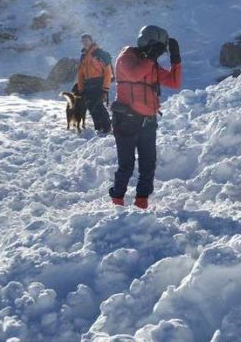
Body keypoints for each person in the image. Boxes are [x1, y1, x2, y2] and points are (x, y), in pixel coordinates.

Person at [109, 25, 182, 209]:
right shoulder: (126, 57)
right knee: (126, 164)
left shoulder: (151, 64)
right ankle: (117, 201)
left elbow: (174, 82)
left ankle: (141, 202)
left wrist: (176, 59)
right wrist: (150, 58)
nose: (158, 53)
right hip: (126, 119)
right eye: (157, 48)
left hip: (148, 121)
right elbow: (134, 74)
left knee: (148, 163)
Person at [77, 33, 113, 134]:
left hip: (99, 83)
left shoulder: (99, 53)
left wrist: (105, 88)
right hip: (88, 84)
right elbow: (80, 73)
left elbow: (108, 71)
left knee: (98, 105)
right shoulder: (83, 56)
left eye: (87, 40)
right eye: (83, 41)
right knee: (90, 105)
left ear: (91, 41)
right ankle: (98, 128)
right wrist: (80, 88)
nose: (85, 43)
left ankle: (107, 128)